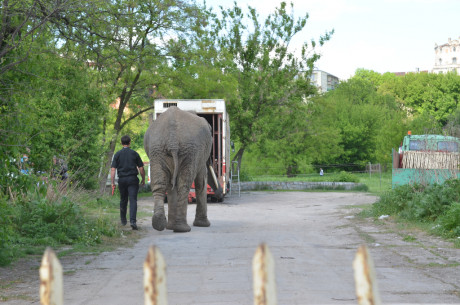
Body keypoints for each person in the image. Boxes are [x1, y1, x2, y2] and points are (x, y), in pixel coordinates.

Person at [111, 135, 145, 230]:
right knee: (133, 200)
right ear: (130, 143)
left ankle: (123, 220)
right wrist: (143, 178)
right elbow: (141, 168)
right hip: (132, 179)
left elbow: (113, 169)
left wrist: (113, 182)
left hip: (122, 180)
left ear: (121, 143)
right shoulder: (134, 154)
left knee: (123, 199)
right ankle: (133, 221)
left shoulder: (117, 154)